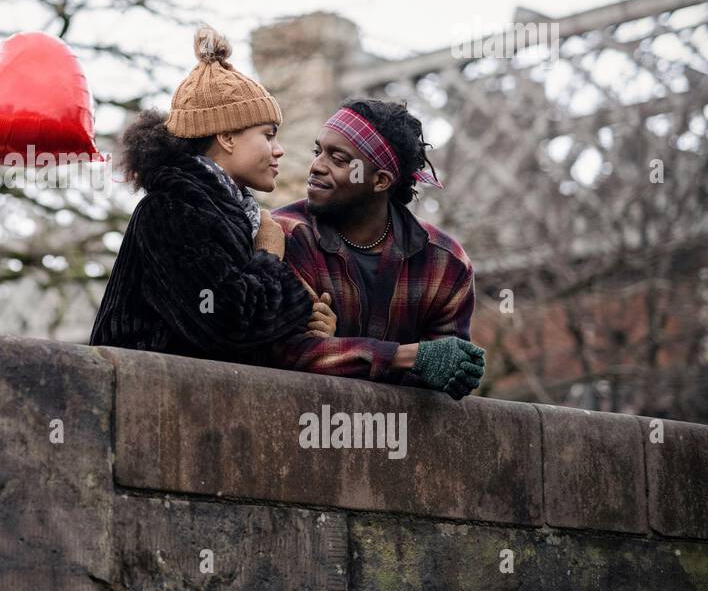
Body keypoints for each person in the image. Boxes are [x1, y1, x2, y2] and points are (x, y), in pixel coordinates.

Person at [89, 25, 333, 366]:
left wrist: (310, 322)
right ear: (228, 137)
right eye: (268, 135)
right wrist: (268, 256)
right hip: (151, 406)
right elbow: (227, 323)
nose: (279, 151)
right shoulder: (171, 210)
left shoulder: (230, 212)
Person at [270, 99, 486, 399]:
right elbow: (285, 352)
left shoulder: (446, 264)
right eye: (318, 152)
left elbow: (444, 380)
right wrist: (406, 357)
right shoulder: (285, 234)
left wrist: (338, 345)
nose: (316, 166)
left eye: (338, 159)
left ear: (380, 180)